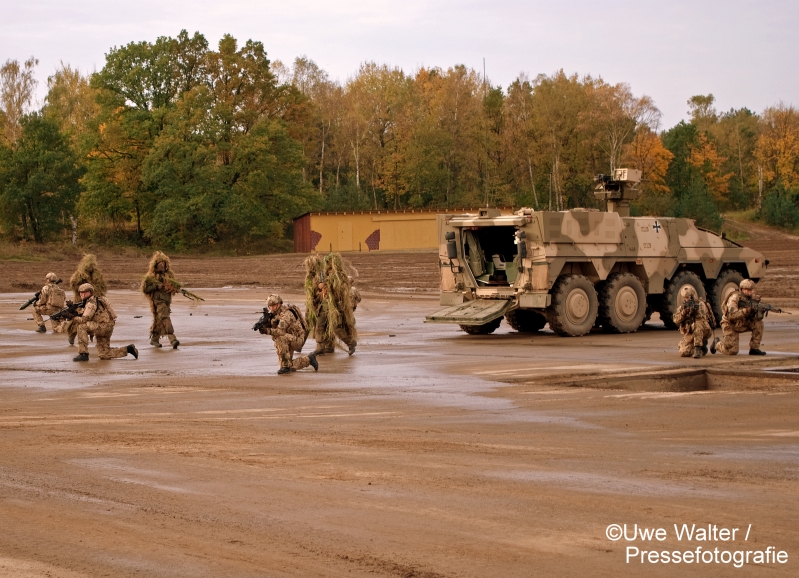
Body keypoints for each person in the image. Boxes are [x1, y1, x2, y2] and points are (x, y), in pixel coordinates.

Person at [305, 254, 358, 356]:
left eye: (329, 263)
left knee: (336, 327)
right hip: (323, 306)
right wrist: (319, 288)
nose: (328, 265)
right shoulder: (323, 274)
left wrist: (327, 286)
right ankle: (320, 347)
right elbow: (316, 288)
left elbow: (340, 290)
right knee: (319, 327)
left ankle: (351, 343)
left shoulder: (340, 276)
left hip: (335, 306)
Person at [71, 283, 138, 362]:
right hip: (107, 327)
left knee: (81, 326)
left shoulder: (91, 303)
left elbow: (84, 320)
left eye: (85, 292)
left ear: (90, 292)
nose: (82, 294)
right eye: (81, 292)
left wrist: (71, 317)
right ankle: (128, 349)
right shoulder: (99, 300)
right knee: (104, 354)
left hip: (102, 327)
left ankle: (83, 354)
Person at [258, 294, 318, 375]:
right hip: (289, 338)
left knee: (280, 338)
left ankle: (285, 367)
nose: (271, 308)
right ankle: (309, 359)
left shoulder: (286, 314)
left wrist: (266, 331)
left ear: (279, 304)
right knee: (289, 366)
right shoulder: (274, 314)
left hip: (297, 339)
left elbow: (280, 332)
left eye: (274, 305)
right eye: (270, 306)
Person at [712, 278, 766, 356]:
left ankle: (754, 348)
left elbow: (755, 318)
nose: (752, 292)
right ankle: (717, 344)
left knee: (759, 324)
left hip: (742, 323)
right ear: (743, 289)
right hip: (730, 325)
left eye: (752, 289)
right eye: (750, 290)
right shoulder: (734, 298)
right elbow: (731, 315)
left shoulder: (752, 298)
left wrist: (759, 312)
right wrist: (746, 311)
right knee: (732, 351)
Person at [141, 251, 181, 348]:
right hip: (158, 302)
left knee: (158, 320)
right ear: (155, 265)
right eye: (160, 264)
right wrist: (156, 286)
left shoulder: (169, 275)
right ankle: (173, 339)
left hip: (167, 301)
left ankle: (154, 339)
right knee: (165, 317)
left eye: (163, 263)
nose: (162, 266)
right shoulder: (151, 277)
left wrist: (173, 288)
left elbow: (175, 286)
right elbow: (145, 290)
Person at [66, 254, 107, 346]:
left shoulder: (97, 274)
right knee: (79, 318)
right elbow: (73, 285)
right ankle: (72, 334)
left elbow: (102, 287)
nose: (91, 267)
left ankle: (99, 338)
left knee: (97, 319)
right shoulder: (79, 274)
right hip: (80, 301)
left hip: (94, 301)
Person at [672, 285, 715, 358]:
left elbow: (702, 318)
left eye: (687, 297)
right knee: (683, 352)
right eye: (684, 298)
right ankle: (702, 345)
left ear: (692, 296)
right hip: (692, 332)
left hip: (704, 330)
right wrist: (683, 313)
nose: (686, 300)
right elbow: (675, 320)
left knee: (697, 323)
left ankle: (698, 348)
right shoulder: (683, 307)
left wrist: (694, 311)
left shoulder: (700, 304)